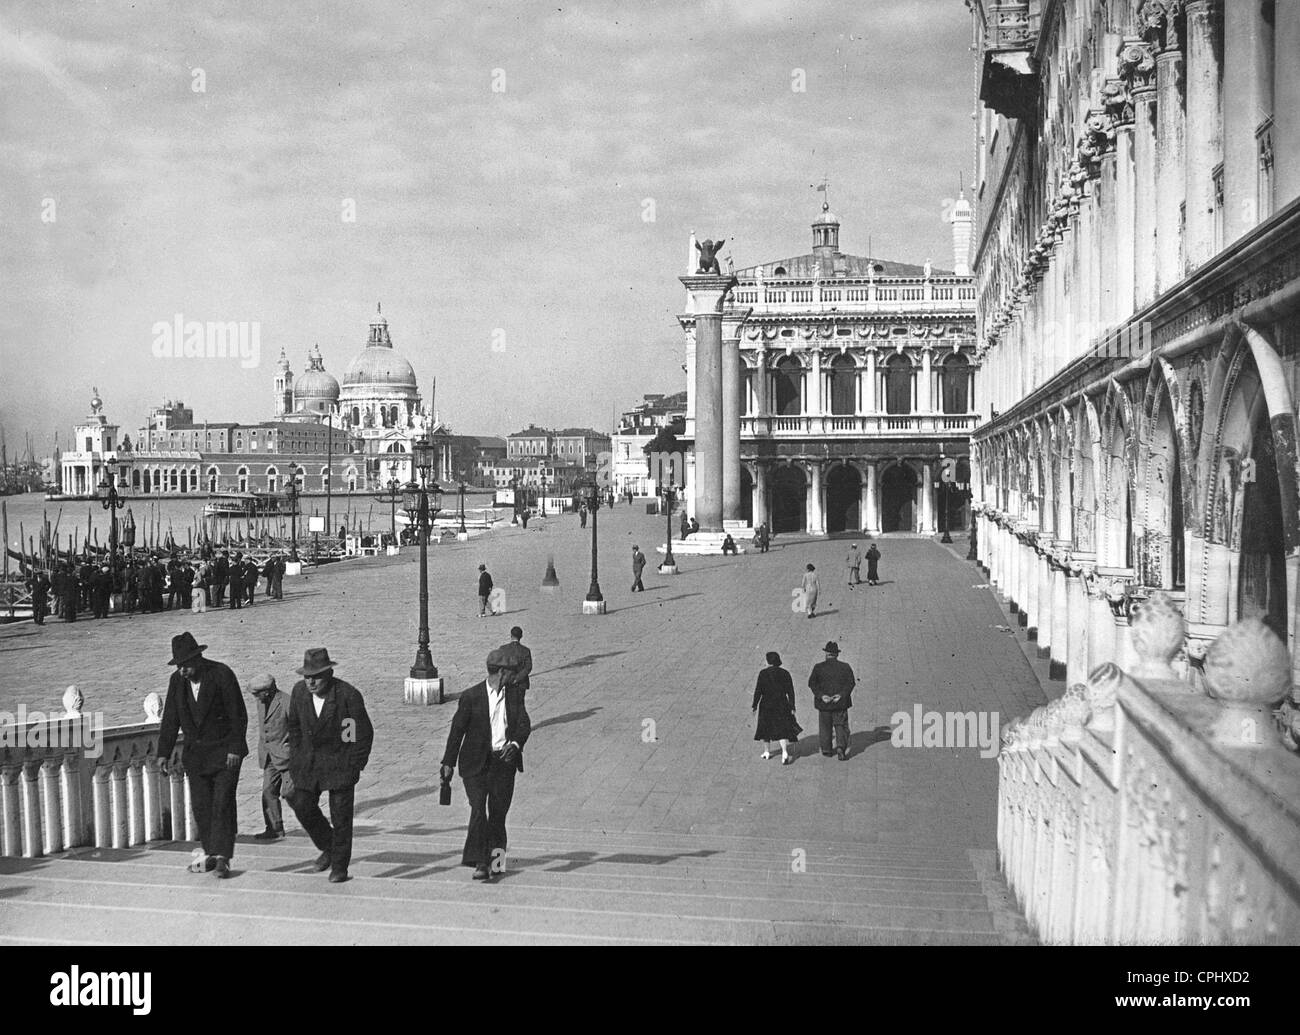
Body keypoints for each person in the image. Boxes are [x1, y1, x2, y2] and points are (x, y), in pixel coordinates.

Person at [156, 632, 248, 877]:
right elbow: (170, 718)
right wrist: (163, 753)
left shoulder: (221, 674)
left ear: (198, 658)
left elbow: (238, 714)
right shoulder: (177, 681)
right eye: (178, 666)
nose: (182, 670)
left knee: (222, 805)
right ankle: (209, 854)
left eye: (185, 664)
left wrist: (235, 749)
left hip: (224, 754)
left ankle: (223, 858)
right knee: (202, 807)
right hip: (196, 757)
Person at [440, 648, 532, 882]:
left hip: (504, 762)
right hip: (475, 763)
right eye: (512, 672)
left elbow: (524, 725)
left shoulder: (515, 694)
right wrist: (448, 763)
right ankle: (481, 862)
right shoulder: (471, 696)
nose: (516, 676)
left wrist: (515, 744)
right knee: (479, 809)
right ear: (501, 672)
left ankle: (498, 862)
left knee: (499, 815)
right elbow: (457, 731)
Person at [286, 647, 374, 884]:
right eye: (307, 676)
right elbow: (293, 727)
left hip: (339, 765)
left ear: (329, 674)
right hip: (308, 765)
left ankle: (339, 866)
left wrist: (354, 764)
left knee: (341, 817)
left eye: (316, 677)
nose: (311, 682)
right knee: (300, 802)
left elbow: (356, 734)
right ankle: (328, 845)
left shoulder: (346, 696)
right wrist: (296, 759)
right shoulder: (299, 693)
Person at [249, 673, 291, 841]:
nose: (254, 697)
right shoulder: (261, 702)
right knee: (268, 792)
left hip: (288, 757)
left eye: (256, 693)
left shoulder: (287, 702)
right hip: (269, 757)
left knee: (292, 793)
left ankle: (314, 824)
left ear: (266, 691)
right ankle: (274, 828)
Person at [809, 641, 856, 761]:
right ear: (837, 654)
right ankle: (841, 747)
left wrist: (821, 695)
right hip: (840, 703)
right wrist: (841, 695)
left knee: (825, 727)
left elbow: (812, 683)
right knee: (840, 726)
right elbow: (851, 683)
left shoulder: (818, 667)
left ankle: (827, 750)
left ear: (826, 653)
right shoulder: (845, 667)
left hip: (824, 704)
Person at [752, 651, 801, 764]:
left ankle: (767, 752)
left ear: (768, 661)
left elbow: (758, 690)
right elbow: (791, 692)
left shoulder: (763, 673)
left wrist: (754, 705)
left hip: (766, 704)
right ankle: (784, 752)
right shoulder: (785, 673)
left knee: (765, 728)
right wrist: (792, 706)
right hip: (782, 704)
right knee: (781, 728)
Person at [498, 626, 533, 697]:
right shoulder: (525, 650)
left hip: (508, 682)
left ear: (511, 636)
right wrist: (517, 678)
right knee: (520, 705)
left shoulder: (503, 649)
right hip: (521, 683)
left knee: (509, 705)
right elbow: (528, 667)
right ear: (521, 636)